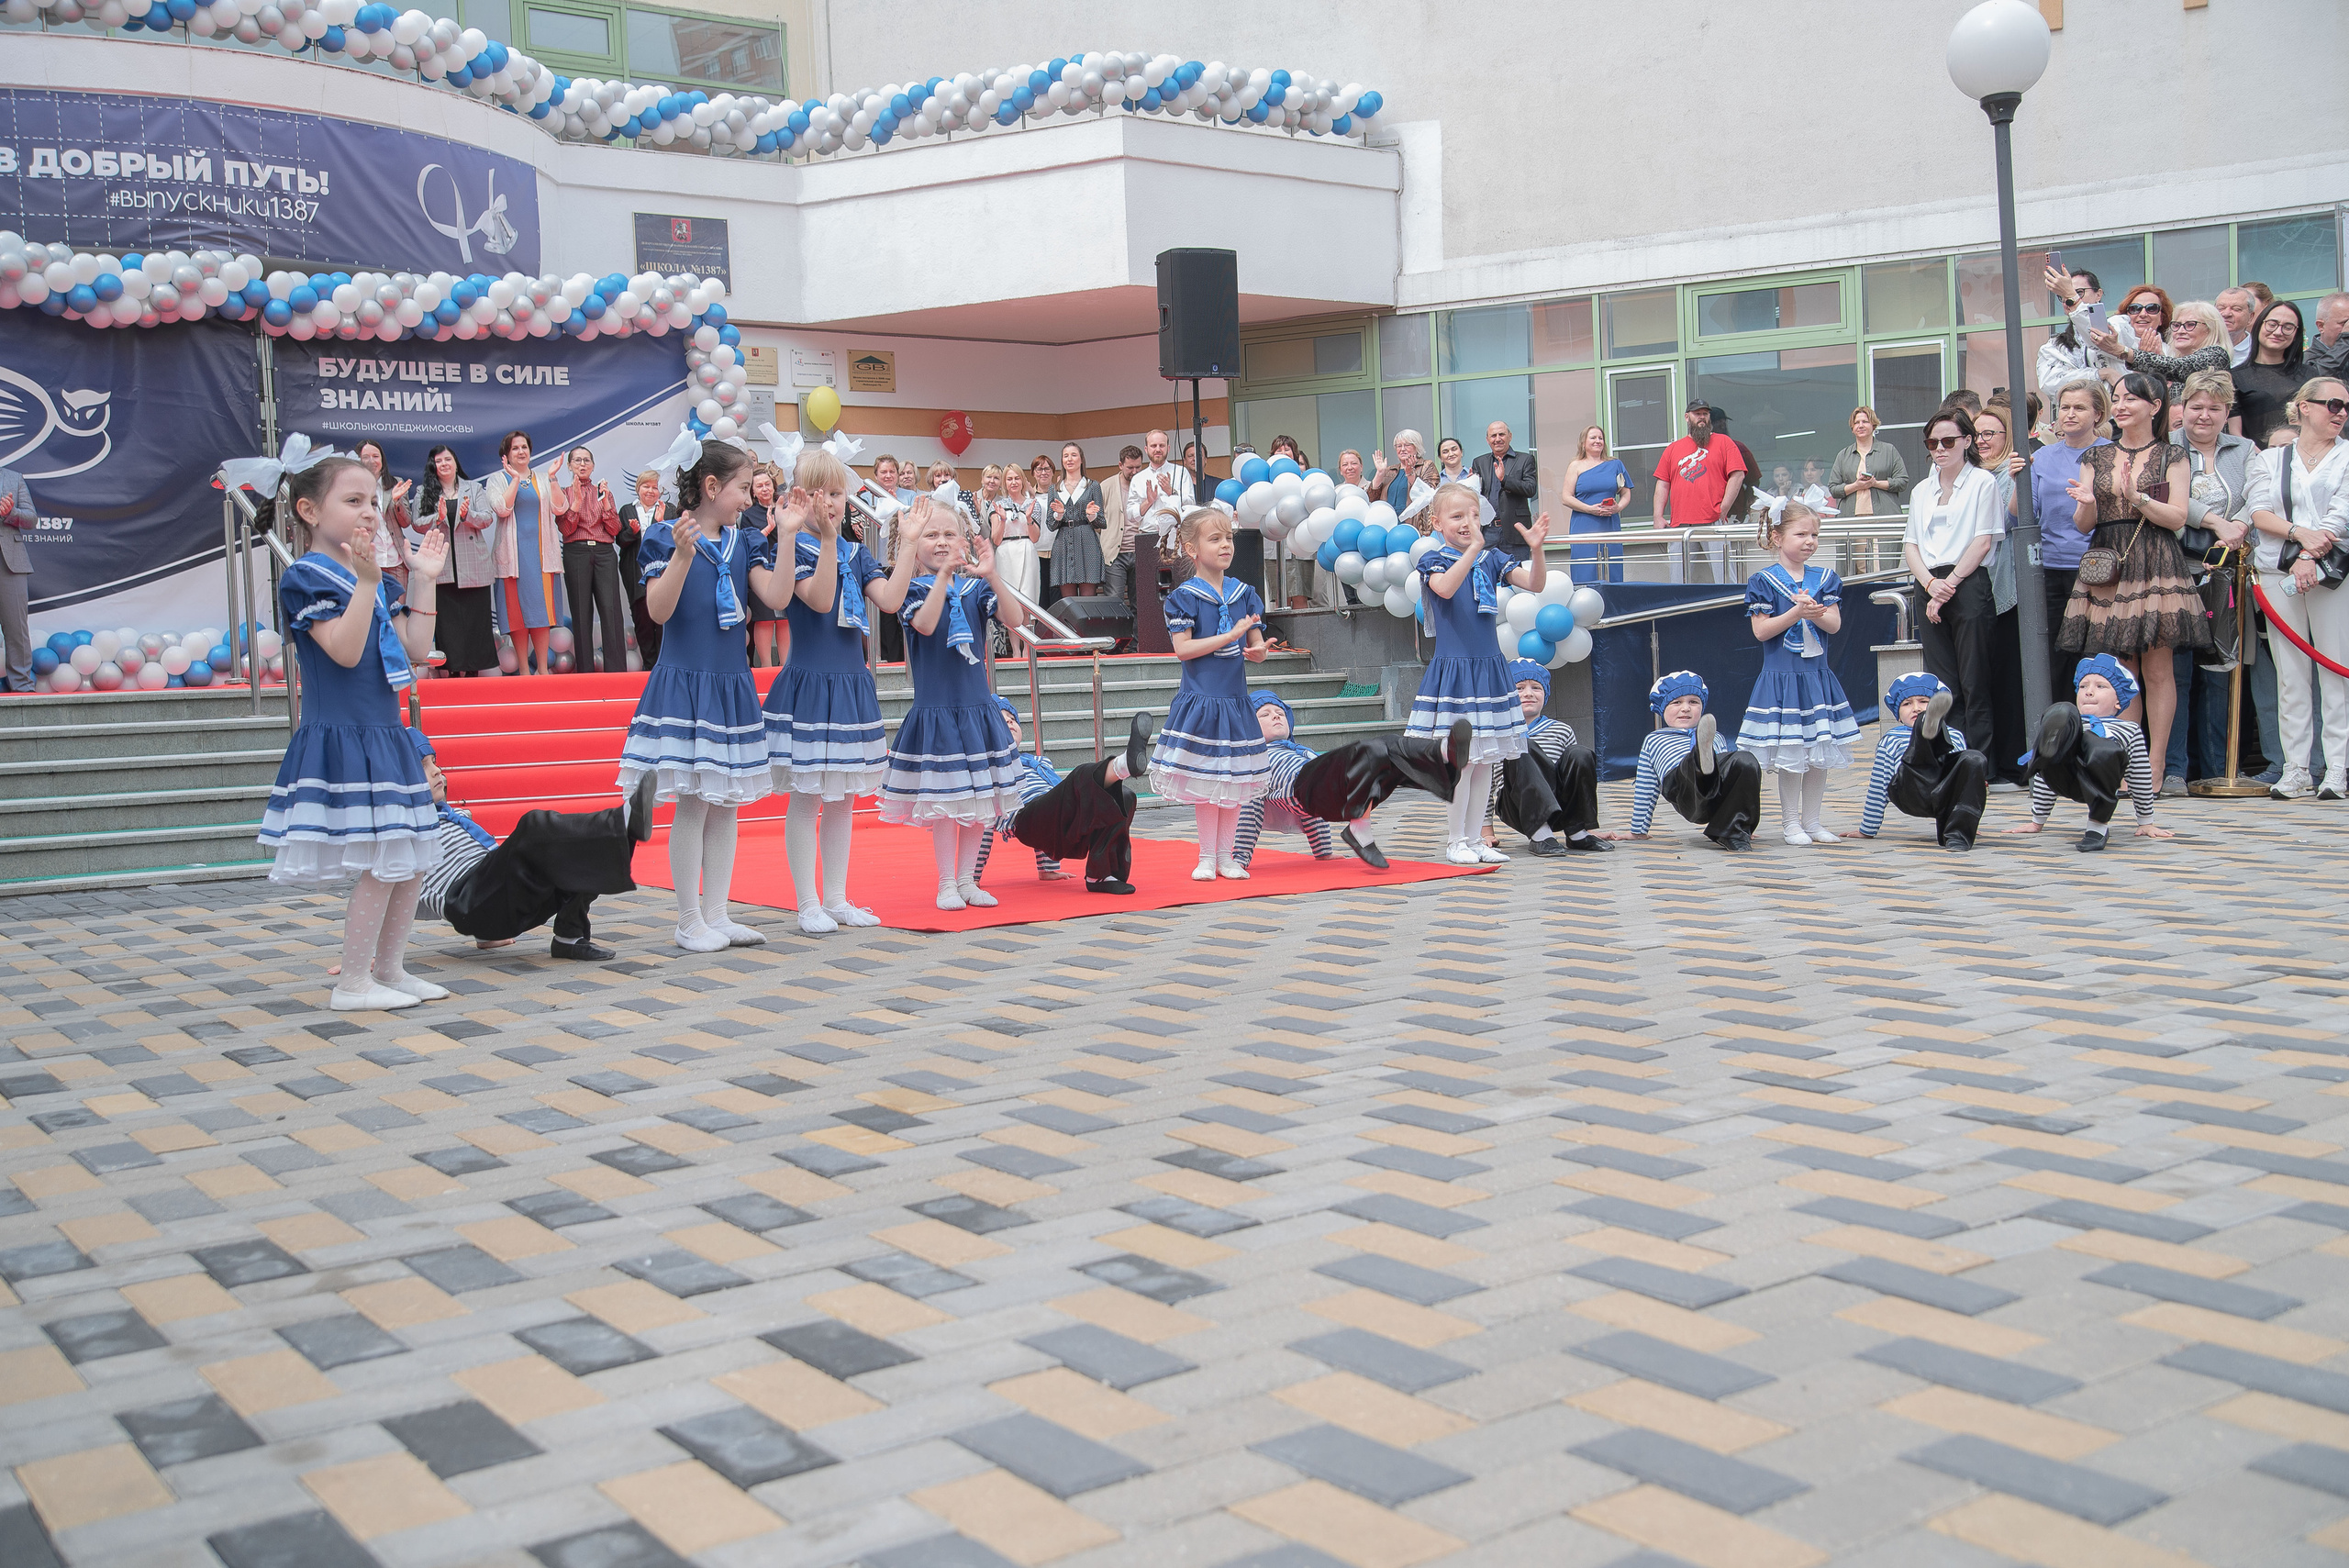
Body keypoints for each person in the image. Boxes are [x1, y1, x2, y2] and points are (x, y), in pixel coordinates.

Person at [253, 452, 447, 1011]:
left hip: (386, 733)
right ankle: (354, 980)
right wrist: (366, 582)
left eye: (374, 501)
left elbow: (415, 647)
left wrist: (423, 582)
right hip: (345, 735)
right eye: (354, 501)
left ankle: (389, 968)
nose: (369, 512)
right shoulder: (304, 577)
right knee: (381, 860)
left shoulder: (375, 578)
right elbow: (341, 649)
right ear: (309, 510)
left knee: (409, 855)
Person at [618, 432, 777, 954]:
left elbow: (775, 597)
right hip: (686, 683)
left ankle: (717, 912)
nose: (750, 496)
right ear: (711, 486)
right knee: (692, 801)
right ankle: (688, 919)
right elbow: (659, 612)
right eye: (740, 486)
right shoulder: (666, 536)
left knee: (726, 801)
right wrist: (684, 557)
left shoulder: (745, 539)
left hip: (731, 686)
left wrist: (796, 535)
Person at [760, 447, 917, 932]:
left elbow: (889, 601)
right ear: (800, 498)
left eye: (838, 492)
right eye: (821, 493)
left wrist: (907, 544)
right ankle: (807, 903)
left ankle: (836, 898)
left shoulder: (855, 550)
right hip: (809, 684)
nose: (831, 501)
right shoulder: (792, 548)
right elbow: (820, 598)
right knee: (807, 797)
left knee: (844, 799)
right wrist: (827, 539)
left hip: (850, 686)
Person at [1362, 484, 1551, 867]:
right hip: (1455, 672)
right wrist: (1474, 551)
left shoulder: (1492, 558)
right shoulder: (1433, 560)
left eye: (1475, 516)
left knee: (1485, 762)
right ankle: (1455, 839)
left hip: (1490, 670)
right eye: (1458, 516)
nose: (1469, 523)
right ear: (1437, 522)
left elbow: (1535, 584)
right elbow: (1446, 590)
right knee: (1462, 762)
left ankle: (1477, 837)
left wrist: (1535, 548)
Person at [878, 497, 1029, 910]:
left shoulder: (976, 588)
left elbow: (1014, 618)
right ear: (912, 542)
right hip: (937, 713)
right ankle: (946, 882)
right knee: (946, 804)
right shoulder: (909, 588)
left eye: (949, 534)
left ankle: (967, 880)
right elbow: (925, 625)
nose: (941, 542)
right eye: (931, 535)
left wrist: (993, 575)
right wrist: (943, 577)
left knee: (979, 802)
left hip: (978, 710)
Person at [2059, 371, 2208, 786]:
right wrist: (2088, 503)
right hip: (2109, 559)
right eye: (2117, 398)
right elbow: (2082, 524)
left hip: (2155, 557)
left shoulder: (2171, 456)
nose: (2121, 406)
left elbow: (2177, 516)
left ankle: (2156, 765)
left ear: (2155, 406)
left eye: (2131, 399)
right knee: (2122, 671)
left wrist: (2136, 496)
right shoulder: (2096, 457)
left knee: (2159, 668)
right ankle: (2126, 763)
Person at [409, 732, 652, 961]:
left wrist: (487, 936)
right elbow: (383, 885)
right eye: (423, 766)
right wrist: (373, 951)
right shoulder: (403, 831)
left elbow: (489, 873)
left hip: (497, 897)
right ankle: (621, 823)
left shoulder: (454, 816)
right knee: (532, 826)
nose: (436, 771)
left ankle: (570, 936)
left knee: (577, 846)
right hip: (466, 902)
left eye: (434, 761)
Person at [1148, 507, 1273, 880]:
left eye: (1228, 538)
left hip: (1235, 702)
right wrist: (1229, 636)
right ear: (1191, 548)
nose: (1225, 546)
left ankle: (1226, 856)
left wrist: (1259, 650)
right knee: (1207, 782)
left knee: (1233, 780)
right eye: (1214, 539)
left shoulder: (1244, 594)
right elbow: (1183, 650)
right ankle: (1205, 856)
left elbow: (1257, 644)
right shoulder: (1184, 597)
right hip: (1202, 699)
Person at [2243, 376, 2349, 801]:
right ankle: (2296, 767)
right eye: (2332, 404)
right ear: (2304, 407)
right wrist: (2300, 536)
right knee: (2290, 675)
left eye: (2345, 407)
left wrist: (2310, 554)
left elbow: (2342, 516)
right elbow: (2258, 512)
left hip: (2332, 573)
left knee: (2335, 670)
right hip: (2277, 572)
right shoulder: (2270, 459)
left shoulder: (2346, 457)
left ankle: (2338, 768)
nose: (2340, 413)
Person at [1740, 500, 1861, 845]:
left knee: (1819, 750)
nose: (1810, 541)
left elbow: (1834, 625)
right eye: (1801, 533)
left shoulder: (1825, 578)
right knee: (1792, 752)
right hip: (1781, 678)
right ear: (1777, 537)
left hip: (1816, 678)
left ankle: (1813, 821)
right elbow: (1762, 632)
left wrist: (1815, 613)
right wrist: (1796, 612)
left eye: (1815, 534)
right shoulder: (1763, 581)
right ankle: (1791, 823)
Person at [1904, 409, 2004, 765]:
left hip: (1967, 579)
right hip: (1929, 581)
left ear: (1967, 441)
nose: (1940, 449)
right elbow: (1910, 545)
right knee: (1943, 682)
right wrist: (1931, 584)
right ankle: (1950, 758)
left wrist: (1949, 584)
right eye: (1933, 443)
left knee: (1975, 679)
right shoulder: (1921, 490)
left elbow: (1983, 541)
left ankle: (1980, 763)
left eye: (1948, 441)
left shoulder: (1983, 483)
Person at [2174, 370, 2259, 784]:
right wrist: (2213, 521)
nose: (2204, 416)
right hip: (2177, 572)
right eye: (2197, 407)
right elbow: (2168, 496)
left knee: (2220, 674)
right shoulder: (2167, 447)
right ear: (2182, 409)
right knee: (2176, 675)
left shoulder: (2245, 450)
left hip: (2227, 575)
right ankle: (2174, 771)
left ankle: (2217, 771)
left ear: (2227, 413)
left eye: (2215, 408)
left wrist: (2237, 528)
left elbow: (2258, 497)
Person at [976, 697, 1153, 895]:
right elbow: (982, 820)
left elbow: (1057, 801)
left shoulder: (1039, 763)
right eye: (1002, 720)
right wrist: (971, 877)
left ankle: (1101, 875)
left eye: (1012, 719)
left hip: (1059, 824)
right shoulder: (986, 768)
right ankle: (1123, 766)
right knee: (1080, 776)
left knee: (1123, 796)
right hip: (1025, 820)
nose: (1010, 722)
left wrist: (1047, 870)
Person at [2010, 656, 2165, 850]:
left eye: (2100, 686)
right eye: (2083, 687)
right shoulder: (2067, 724)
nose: (2089, 692)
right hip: (2065, 777)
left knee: (2103, 748)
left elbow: (2139, 775)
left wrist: (2145, 820)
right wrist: (2037, 820)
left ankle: (2097, 827)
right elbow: (2044, 773)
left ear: (2118, 701)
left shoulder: (2129, 730)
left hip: (2099, 781)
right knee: (2063, 717)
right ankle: (2055, 730)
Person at [2031, 383, 2111, 688]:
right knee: (2056, 656)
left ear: (2098, 414)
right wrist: (2018, 480)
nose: (2070, 414)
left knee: (2094, 654)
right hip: (2051, 568)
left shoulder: (2112, 454)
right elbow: (2021, 515)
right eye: (2065, 407)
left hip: (2098, 568)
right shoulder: (2043, 456)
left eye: (2079, 408)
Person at [1486, 659, 1610, 855]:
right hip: (1517, 805)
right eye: (1519, 688)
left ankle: (1578, 832)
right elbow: (1486, 784)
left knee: (1580, 753)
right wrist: (1486, 832)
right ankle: (1540, 835)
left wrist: (1591, 828)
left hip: (1559, 805)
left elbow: (1575, 776)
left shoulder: (1561, 729)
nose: (1528, 693)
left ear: (1545, 694)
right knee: (1522, 745)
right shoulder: (1495, 734)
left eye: (1536, 687)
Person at [1627, 672, 1761, 851]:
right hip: (1682, 790)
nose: (1686, 708)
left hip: (1714, 796)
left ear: (1702, 707)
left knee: (1744, 760)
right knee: (1690, 763)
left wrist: (1743, 821)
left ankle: (1734, 832)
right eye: (1676, 702)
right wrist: (1638, 830)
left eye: (1693, 702)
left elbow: (1733, 779)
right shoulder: (1654, 739)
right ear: (1662, 708)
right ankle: (1699, 759)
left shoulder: (1716, 736)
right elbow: (1646, 786)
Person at [1972, 400, 2033, 788]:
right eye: (1976, 435)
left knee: (2010, 679)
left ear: (2007, 436)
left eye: (1990, 434)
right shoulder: (1962, 476)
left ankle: (2013, 765)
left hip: (2008, 585)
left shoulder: (2014, 474)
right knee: (1980, 679)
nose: (1982, 441)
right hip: (1971, 586)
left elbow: (2012, 522)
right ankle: (1983, 763)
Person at [1857, 674, 1988, 851]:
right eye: (1907, 704)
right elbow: (1879, 786)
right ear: (1898, 716)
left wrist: (1968, 820)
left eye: (1923, 702)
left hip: (1943, 792)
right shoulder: (1890, 739)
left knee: (1974, 758)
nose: (1916, 708)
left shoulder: (1955, 735)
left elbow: (1964, 780)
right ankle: (1925, 728)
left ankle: (1958, 838)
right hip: (1911, 791)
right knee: (1921, 743)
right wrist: (1868, 829)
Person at [412, 446, 495, 677]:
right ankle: (453, 671)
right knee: (448, 625)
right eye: (439, 461)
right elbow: (416, 523)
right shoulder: (424, 491)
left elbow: (487, 518)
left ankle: (473, 672)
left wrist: (468, 516)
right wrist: (436, 518)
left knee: (475, 622)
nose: (444, 464)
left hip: (473, 565)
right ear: (433, 467)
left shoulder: (474, 488)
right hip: (442, 565)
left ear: (456, 463)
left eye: (448, 459)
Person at [485, 431, 563, 677]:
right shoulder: (497, 480)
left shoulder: (542, 478)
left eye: (524, 447)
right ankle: (523, 670)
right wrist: (515, 480)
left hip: (542, 556)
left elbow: (560, 508)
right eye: (515, 448)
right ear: (506, 455)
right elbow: (502, 509)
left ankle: (542, 669)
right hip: (512, 558)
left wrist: (552, 478)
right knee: (517, 616)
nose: (521, 451)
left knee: (541, 613)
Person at [1232, 691, 1337, 866]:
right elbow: (1249, 811)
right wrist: (1240, 858)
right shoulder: (1253, 759)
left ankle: (1324, 850)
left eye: (1280, 713)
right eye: (1265, 714)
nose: (1276, 716)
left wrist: (1323, 852)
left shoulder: (1300, 750)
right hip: (1291, 787)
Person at [554, 447, 628, 676]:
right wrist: (575, 502)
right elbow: (566, 529)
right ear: (569, 465)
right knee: (581, 611)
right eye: (577, 460)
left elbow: (615, 530)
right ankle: (585, 672)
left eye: (587, 460)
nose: (582, 464)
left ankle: (616, 672)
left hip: (605, 552)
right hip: (576, 551)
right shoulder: (563, 492)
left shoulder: (603, 491)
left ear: (593, 466)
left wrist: (606, 505)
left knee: (611, 610)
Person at [1656, 400, 1746, 584]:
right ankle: (1680, 612)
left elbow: (1737, 476)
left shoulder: (1724, 442)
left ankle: (1730, 611)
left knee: (1726, 580)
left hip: (1713, 520)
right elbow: (1662, 484)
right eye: (1697, 414)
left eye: (1705, 413)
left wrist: (1723, 508)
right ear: (1687, 417)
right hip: (1680, 523)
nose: (1702, 417)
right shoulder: (1673, 449)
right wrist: (1658, 515)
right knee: (1678, 582)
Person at [1829, 406, 1909, 567]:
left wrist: (1876, 483)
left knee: (1883, 564)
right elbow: (1833, 488)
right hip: (1853, 519)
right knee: (1858, 566)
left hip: (1883, 517)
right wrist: (1856, 486)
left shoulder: (1888, 450)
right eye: (1856, 422)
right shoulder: (1843, 455)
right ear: (1852, 428)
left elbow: (1902, 481)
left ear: (1873, 425)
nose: (1860, 425)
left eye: (1865, 421)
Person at [2113, 300, 2231, 405]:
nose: (2180, 331)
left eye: (2190, 325)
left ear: (2210, 329)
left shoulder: (2217, 355)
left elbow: (2178, 367)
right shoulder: (2169, 362)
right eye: (2176, 325)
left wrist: (2122, 351)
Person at [2232, 300, 2307, 448]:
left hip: (2304, 460)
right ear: (2260, 325)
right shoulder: (2235, 377)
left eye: (2288, 327)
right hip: (2256, 460)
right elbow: (2235, 433)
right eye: (2272, 324)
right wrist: (2264, 458)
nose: (2278, 332)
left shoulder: (2310, 375)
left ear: (2296, 333)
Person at [1562, 425, 1631, 584]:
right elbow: (1566, 497)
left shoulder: (1615, 465)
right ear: (1583, 442)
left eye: (1600, 438)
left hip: (1609, 523)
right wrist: (1590, 509)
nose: (1597, 441)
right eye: (1593, 438)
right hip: (1584, 525)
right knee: (1586, 569)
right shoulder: (1575, 466)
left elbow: (1626, 493)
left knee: (1611, 568)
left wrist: (1618, 507)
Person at [2039, 267, 2121, 402]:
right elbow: (2050, 384)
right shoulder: (2053, 346)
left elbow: (2099, 338)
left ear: (2098, 294)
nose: (2068, 300)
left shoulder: (2118, 327)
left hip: (2117, 416)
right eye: (2062, 295)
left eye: (2079, 293)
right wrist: (2100, 374)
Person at [616, 469, 668, 673]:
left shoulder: (668, 509)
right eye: (646, 486)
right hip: (635, 572)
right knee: (643, 620)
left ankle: (664, 668)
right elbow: (620, 541)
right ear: (638, 489)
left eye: (655, 487)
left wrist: (660, 523)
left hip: (663, 574)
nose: (650, 491)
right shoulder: (626, 510)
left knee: (663, 620)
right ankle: (649, 668)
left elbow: (671, 542)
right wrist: (632, 532)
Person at [740, 464, 789, 669]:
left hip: (784, 568)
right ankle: (767, 667)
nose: (764, 489)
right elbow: (748, 542)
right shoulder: (749, 514)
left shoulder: (784, 508)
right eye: (759, 486)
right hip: (761, 570)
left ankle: (786, 665)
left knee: (785, 620)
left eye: (767, 484)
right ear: (753, 491)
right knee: (765, 620)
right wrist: (768, 528)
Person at [1471, 421, 1539, 559]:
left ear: (1510, 436)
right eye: (1493, 436)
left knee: (1518, 577)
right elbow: (1477, 495)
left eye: (1501, 434)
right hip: (1487, 531)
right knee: (1487, 576)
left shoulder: (1525, 459)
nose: (1497, 439)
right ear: (1487, 440)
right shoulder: (1479, 462)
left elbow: (1530, 489)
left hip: (1515, 531)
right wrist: (1469, 485)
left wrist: (1505, 480)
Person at [1048, 441, 1107, 599]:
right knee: (1069, 601)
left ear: (1081, 459)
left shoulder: (1092, 486)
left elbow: (1101, 522)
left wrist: (1091, 515)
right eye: (1066, 456)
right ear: (1062, 460)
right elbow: (1050, 524)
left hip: (1087, 540)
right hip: (1064, 542)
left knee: (1088, 599)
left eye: (1074, 455)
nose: (1070, 459)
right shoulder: (1055, 489)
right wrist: (1059, 514)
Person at [352, 440, 413, 592]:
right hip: (368, 559)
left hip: (396, 560)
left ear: (382, 460)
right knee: (372, 610)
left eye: (375, 456)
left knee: (398, 611)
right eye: (366, 457)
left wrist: (396, 501)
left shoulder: (396, 483)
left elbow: (406, 522)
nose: (371, 461)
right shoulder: (352, 487)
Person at [0, 463, 36, 693]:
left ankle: (22, 685)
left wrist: (10, 513)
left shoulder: (14, 478)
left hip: (10, 563)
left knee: (16, 628)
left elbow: (31, 520)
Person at [991, 462, 1044, 611]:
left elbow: (1035, 538)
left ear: (1023, 481)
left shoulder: (1033, 504)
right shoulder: (998, 505)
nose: (1013, 482)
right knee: (1010, 605)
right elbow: (996, 539)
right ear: (1004, 482)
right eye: (1009, 479)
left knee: (1029, 601)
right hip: (1006, 554)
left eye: (1017, 478)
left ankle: (1029, 633)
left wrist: (1028, 519)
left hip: (1027, 551)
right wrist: (1002, 520)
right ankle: (1014, 635)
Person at [1370, 428, 1425, 515]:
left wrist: (1410, 473)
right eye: (1399, 446)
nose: (1402, 449)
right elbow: (1371, 499)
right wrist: (1380, 473)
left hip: (1412, 522)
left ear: (1417, 446)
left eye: (1407, 445)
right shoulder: (1390, 470)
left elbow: (1427, 496)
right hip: (1388, 520)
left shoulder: (1426, 466)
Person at [2217, 285, 2260, 369]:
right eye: (2221, 308)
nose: (2226, 314)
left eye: (2236, 309)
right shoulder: (2199, 346)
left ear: (2250, 317)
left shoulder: (2259, 351)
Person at [2309, 293, 2349, 382]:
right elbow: (2315, 381)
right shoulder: (2305, 360)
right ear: (2321, 326)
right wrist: (2346, 340)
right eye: (2345, 323)